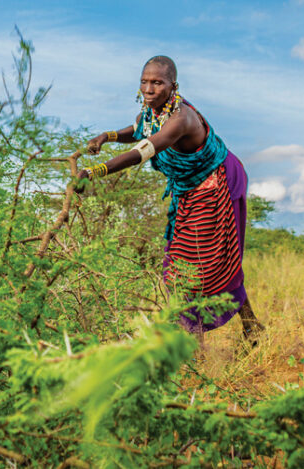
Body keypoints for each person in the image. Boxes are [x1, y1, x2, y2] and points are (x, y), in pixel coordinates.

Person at [77, 55, 264, 345]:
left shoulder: (181, 119)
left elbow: (146, 147)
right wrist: (106, 136)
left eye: (157, 83)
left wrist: (95, 172)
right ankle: (248, 328)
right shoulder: (152, 114)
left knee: (204, 260)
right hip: (189, 189)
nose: (149, 89)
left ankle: (195, 345)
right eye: (144, 82)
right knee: (180, 260)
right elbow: (138, 130)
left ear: (173, 86)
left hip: (217, 184)